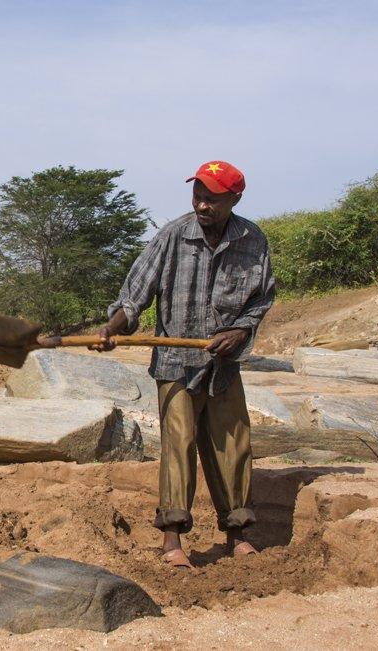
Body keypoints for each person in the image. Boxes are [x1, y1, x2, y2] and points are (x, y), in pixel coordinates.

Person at [90, 161, 275, 568]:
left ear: (235, 199)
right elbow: (134, 293)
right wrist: (113, 328)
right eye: (198, 195)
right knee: (179, 444)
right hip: (176, 364)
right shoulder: (173, 235)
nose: (202, 204)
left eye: (213, 198)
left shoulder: (253, 240)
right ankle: (172, 541)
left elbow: (262, 299)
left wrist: (239, 332)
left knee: (234, 445)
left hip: (223, 366)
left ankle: (237, 533)